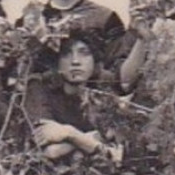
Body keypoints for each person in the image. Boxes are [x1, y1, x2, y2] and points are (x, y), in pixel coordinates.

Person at [24, 34, 123, 163]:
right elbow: (51, 151)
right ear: (57, 62)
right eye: (66, 54)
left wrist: (69, 134)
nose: (75, 61)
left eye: (84, 53)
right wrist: (90, 139)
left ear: (95, 60)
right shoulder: (39, 86)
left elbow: (115, 142)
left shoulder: (103, 87)